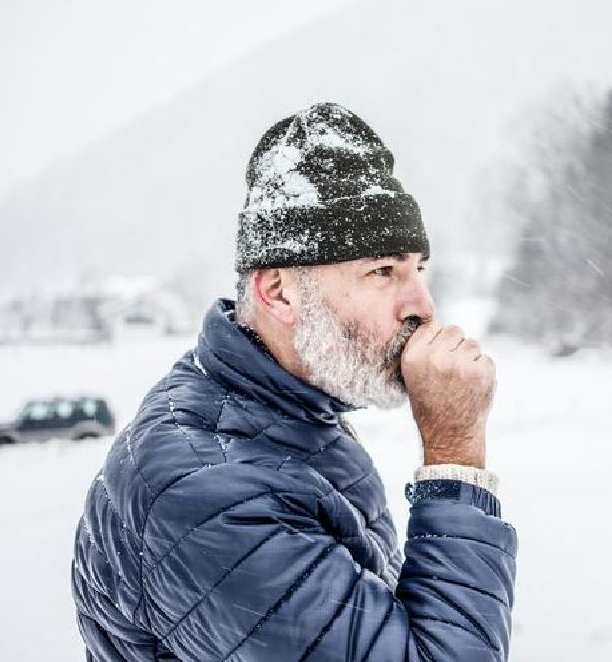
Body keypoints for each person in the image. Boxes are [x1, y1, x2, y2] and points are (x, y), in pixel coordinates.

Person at [71, 102, 517, 661]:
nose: (422, 308)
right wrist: (456, 457)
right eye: (382, 271)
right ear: (278, 292)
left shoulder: (279, 412)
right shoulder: (211, 497)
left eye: (417, 270)